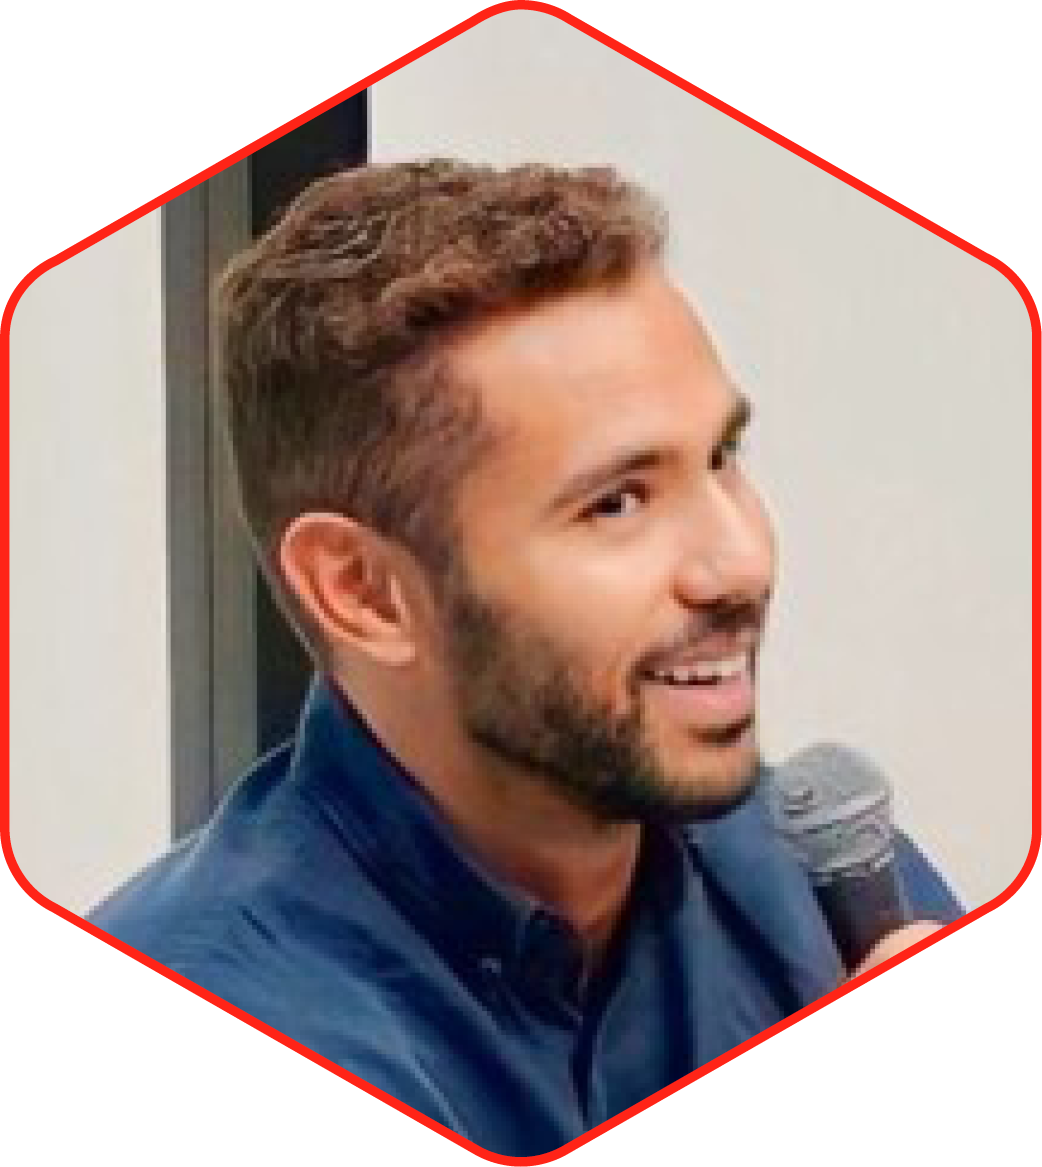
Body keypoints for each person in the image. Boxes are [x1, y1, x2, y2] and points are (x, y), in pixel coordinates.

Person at [90, 160, 962, 1157]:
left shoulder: (817, 888)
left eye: (720, 458)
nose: (739, 564)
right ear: (364, 591)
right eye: (616, 503)